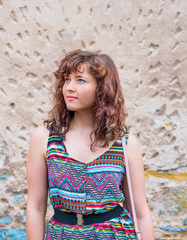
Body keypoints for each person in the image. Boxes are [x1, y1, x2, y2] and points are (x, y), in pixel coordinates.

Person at [26, 49, 154, 239]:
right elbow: (35, 207)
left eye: (80, 80)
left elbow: (140, 213)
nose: (69, 87)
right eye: (67, 79)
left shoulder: (125, 143)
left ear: (102, 89)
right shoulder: (44, 138)